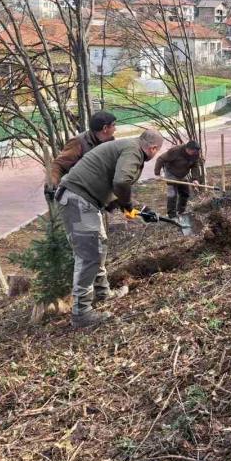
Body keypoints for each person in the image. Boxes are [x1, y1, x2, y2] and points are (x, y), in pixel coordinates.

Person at [57, 128, 164, 327]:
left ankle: (102, 294)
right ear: (153, 148)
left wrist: (136, 208)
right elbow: (121, 182)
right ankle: (81, 314)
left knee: (99, 247)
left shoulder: (127, 146)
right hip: (78, 200)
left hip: (83, 200)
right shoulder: (133, 150)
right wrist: (128, 205)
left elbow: (112, 186)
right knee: (89, 255)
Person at [46, 111, 118, 198]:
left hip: (101, 192)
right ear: (105, 128)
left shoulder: (110, 141)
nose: (115, 129)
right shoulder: (78, 142)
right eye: (113, 125)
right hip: (79, 194)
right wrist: (52, 183)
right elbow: (59, 164)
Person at [154, 140, 203, 218]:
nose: (195, 153)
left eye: (196, 152)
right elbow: (160, 159)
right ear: (188, 149)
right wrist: (157, 174)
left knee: (185, 193)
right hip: (171, 172)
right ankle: (172, 215)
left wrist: (195, 179)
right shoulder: (175, 151)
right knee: (172, 194)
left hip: (182, 174)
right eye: (194, 152)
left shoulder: (195, 153)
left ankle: (181, 211)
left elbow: (195, 166)